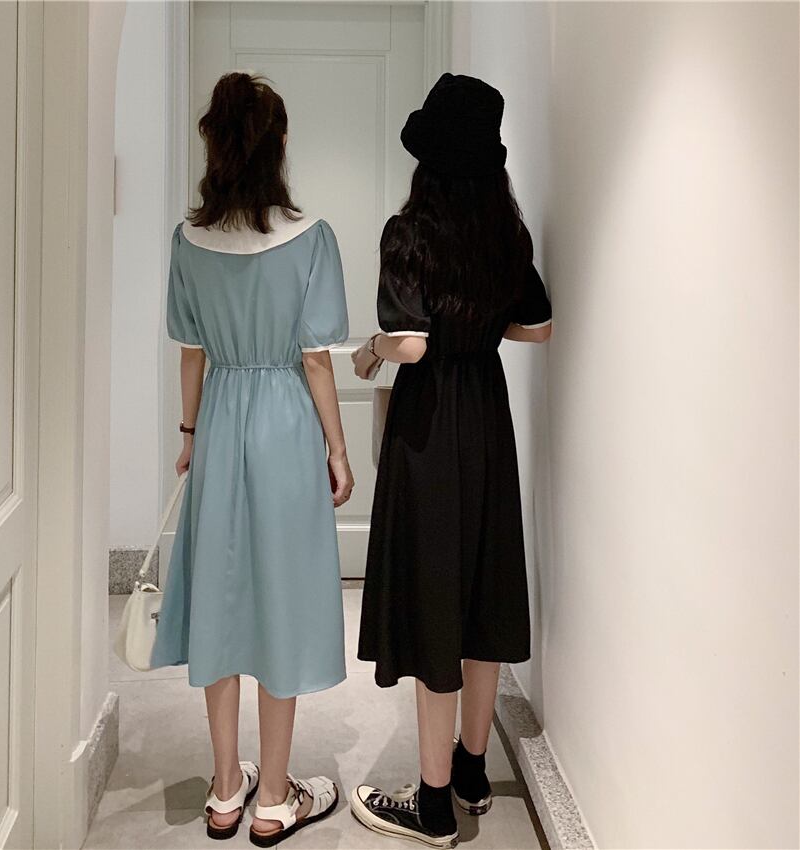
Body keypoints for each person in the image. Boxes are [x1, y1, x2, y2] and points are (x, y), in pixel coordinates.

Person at [349, 73, 553, 848]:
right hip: (487, 420)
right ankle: (471, 771)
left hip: (432, 425)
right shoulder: (506, 233)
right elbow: (539, 327)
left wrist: (371, 348)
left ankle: (431, 805)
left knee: (436, 602)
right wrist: (484, 327)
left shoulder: (409, 234)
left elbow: (410, 345)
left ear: (428, 160)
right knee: (480, 594)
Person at [149, 71, 352, 845]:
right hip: (286, 427)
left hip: (223, 417)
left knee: (222, 600)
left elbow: (192, 353)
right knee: (281, 602)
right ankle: (275, 796)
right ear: (279, 143)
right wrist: (338, 450)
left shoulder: (188, 240)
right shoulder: (312, 238)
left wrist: (190, 434)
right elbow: (317, 358)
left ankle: (226, 790)